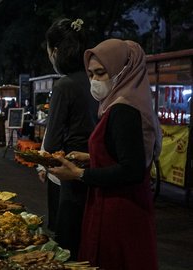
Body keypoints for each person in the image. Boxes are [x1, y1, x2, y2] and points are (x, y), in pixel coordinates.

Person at [49, 39, 160, 270]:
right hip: (116, 204)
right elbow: (124, 153)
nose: (95, 81)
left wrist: (80, 174)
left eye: (101, 73)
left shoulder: (124, 110)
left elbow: (132, 169)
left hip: (120, 211)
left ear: (123, 71)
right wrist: (91, 157)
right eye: (91, 74)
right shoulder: (120, 104)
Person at [38, 18, 98, 259]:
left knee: (68, 249)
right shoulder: (95, 80)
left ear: (55, 51)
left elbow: (51, 143)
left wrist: (41, 161)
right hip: (97, 171)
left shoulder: (65, 85)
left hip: (72, 173)